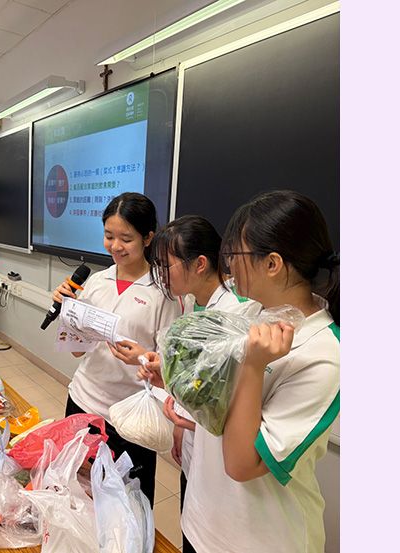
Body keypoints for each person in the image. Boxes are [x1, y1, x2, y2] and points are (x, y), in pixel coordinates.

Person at [180, 190, 340, 553]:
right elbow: (214, 399)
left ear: (272, 264)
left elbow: (243, 464)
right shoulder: (248, 313)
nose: (228, 268)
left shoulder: (324, 354)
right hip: (202, 519)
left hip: (256, 540)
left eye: (234, 256)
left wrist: (253, 366)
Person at [51, 192, 181, 507]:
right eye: (109, 236)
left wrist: (140, 357)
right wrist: (68, 312)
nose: (115, 246)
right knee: (78, 496)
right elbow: (78, 352)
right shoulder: (97, 282)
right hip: (83, 402)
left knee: (128, 505)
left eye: (126, 238)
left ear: (148, 238)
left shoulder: (164, 292)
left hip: (130, 418)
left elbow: (172, 366)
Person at [133, 215, 243, 553]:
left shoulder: (234, 317)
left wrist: (186, 414)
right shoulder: (195, 304)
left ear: (200, 264)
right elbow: (198, 383)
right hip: (195, 448)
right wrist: (166, 374)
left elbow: (230, 405)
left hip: (222, 463)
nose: (161, 275)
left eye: (166, 265)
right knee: (190, 527)